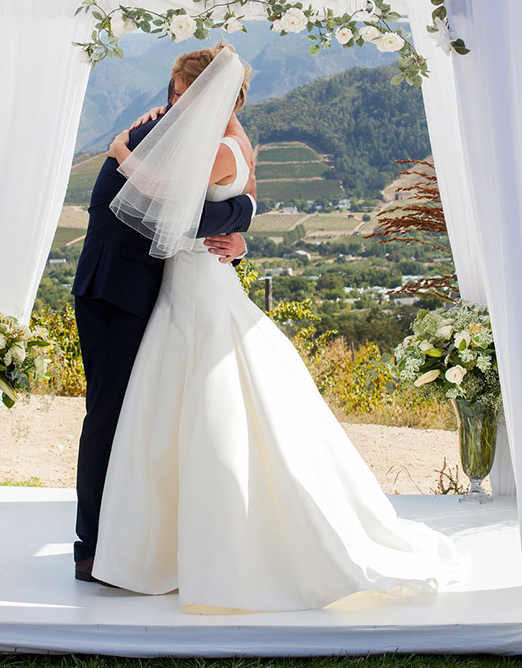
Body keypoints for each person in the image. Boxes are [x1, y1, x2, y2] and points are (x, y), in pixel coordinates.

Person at [91, 43, 467, 612]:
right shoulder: (241, 141)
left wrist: (122, 150)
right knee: (191, 404)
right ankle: (178, 541)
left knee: (199, 407)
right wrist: (242, 224)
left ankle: (201, 545)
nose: (172, 101)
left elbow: (163, 198)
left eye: (179, 92)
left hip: (197, 285)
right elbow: (247, 197)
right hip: (199, 280)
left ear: (199, 93)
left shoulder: (214, 146)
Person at [71, 69, 256, 583]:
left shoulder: (197, 138)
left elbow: (213, 199)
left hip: (160, 292)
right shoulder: (148, 136)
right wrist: (241, 213)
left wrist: (243, 218)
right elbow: (174, 216)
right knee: (110, 416)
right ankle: (91, 547)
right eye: (170, 92)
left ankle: (152, 537)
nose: (171, 101)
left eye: (180, 92)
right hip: (117, 293)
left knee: (152, 418)